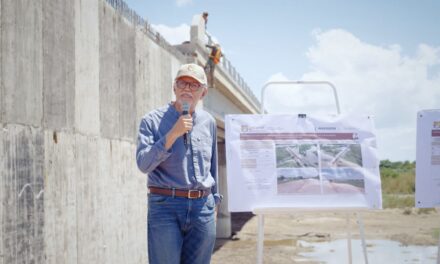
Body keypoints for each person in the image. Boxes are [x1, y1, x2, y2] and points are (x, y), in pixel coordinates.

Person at [136, 63, 222, 264]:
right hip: (166, 206)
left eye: (194, 85)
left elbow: (212, 167)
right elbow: (143, 164)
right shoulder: (151, 121)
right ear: (174, 87)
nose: (187, 88)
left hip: (203, 208)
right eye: (183, 82)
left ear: (203, 92)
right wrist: (173, 134)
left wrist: (214, 203)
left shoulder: (208, 122)